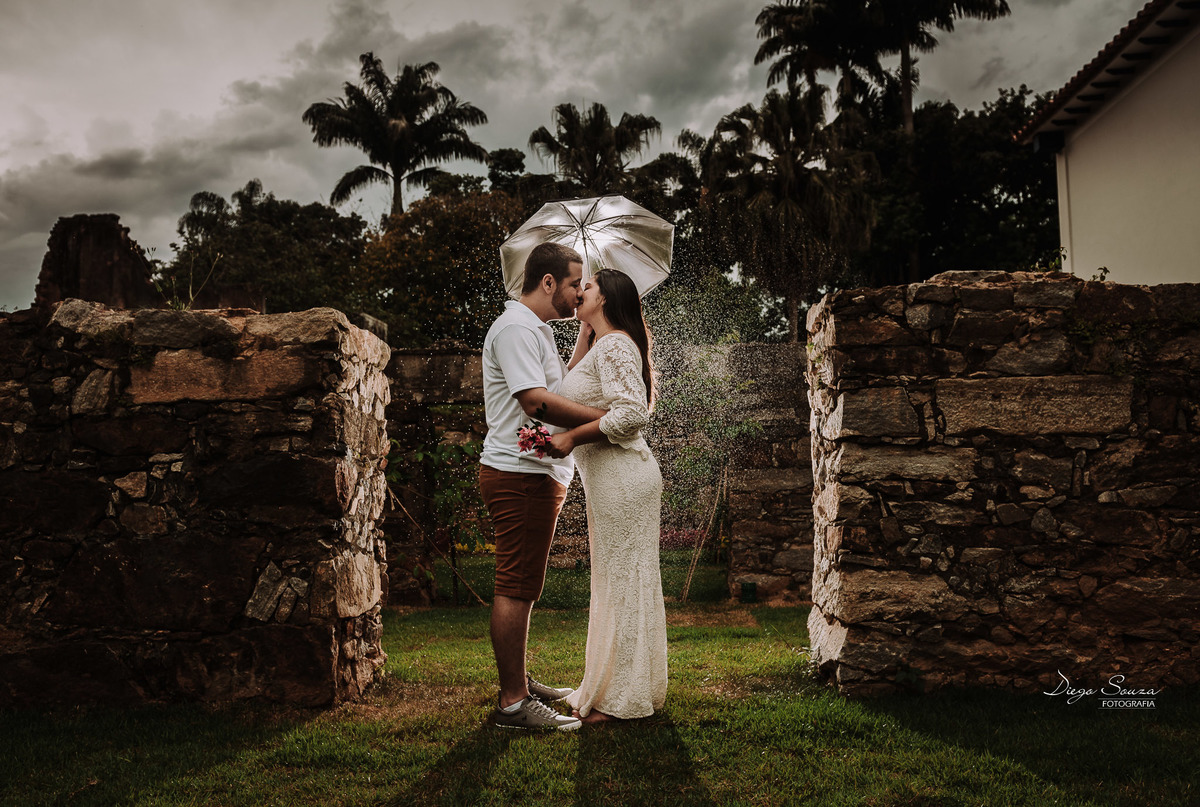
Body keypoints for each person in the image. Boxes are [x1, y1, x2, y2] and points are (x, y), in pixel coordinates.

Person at [479, 241, 608, 731]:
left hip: (533, 474)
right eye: (575, 284)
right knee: (516, 585)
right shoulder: (516, 328)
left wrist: (586, 333)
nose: (579, 293)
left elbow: (560, 386)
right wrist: (604, 418)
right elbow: (536, 402)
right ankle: (513, 702)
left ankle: (520, 682)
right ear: (548, 281)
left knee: (524, 583)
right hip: (520, 474)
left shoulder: (537, 330)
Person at [546, 268, 668, 725]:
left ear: (607, 298)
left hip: (624, 479)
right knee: (616, 583)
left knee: (624, 584)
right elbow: (563, 391)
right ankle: (612, 687)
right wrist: (584, 330)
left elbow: (633, 413)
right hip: (612, 481)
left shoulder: (615, 345)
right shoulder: (602, 343)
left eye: (589, 286)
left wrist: (572, 437)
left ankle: (623, 700)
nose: (580, 290)